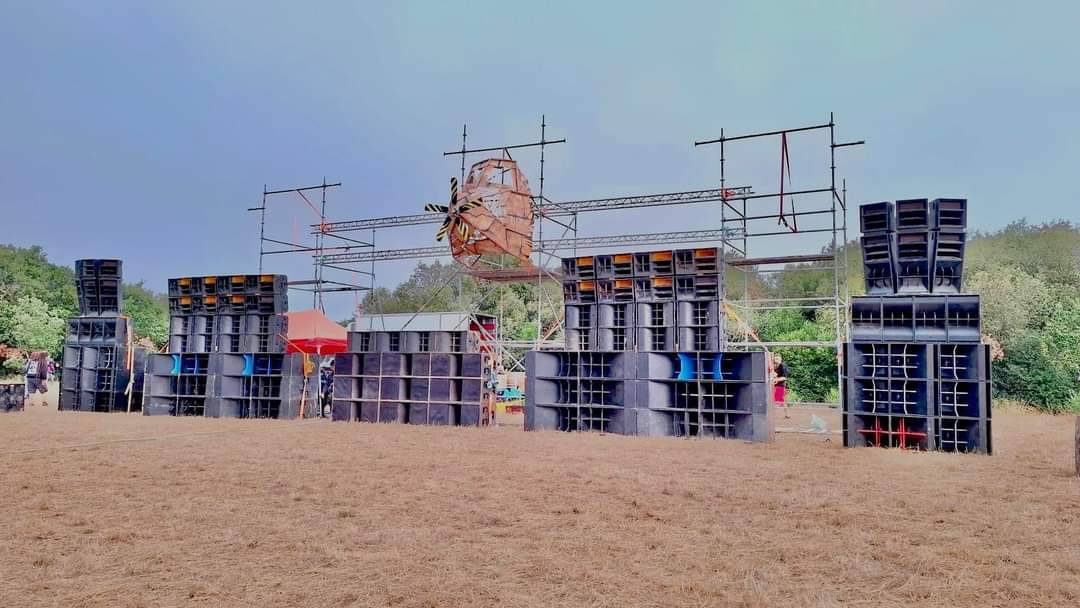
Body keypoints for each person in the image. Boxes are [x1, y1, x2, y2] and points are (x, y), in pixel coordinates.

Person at [772, 353, 789, 418]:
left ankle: (787, 414)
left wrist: (775, 379)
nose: (776, 360)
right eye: (775, 359)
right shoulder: (772, 365)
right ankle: (787, 414)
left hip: (782, 385)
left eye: (778, 359)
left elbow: (784, 377)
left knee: (781, 401)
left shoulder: (783, 366)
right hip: (774, 384)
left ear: (781, 359)